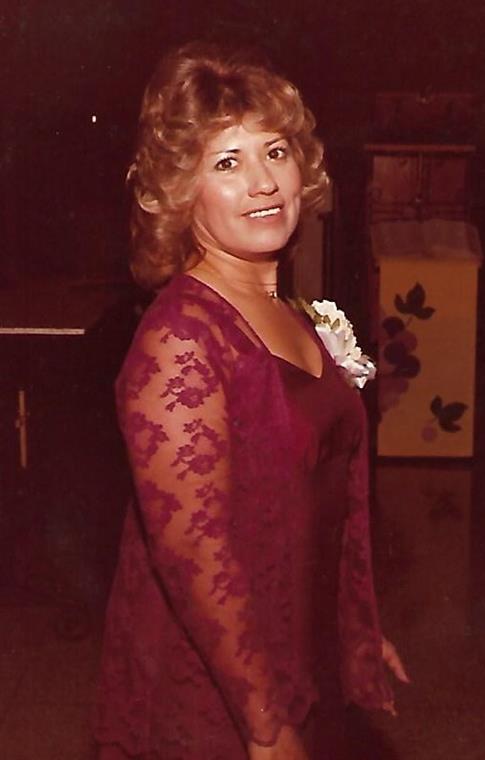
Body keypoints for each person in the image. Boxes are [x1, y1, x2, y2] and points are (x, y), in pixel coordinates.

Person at [93, 42, 408, 760]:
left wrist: (352, 629)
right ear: (182, 191)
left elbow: (314, 499)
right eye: (227, 163)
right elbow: (193, 556)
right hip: (224, 698)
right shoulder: (180, 340)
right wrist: (265, 727)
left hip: (299, 658)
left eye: (275, 152)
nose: (263, 182)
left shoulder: (289, 313)